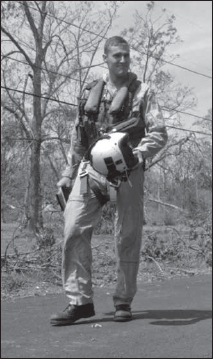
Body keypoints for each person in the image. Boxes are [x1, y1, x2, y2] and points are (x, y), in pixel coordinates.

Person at [50, 36, 168, 326]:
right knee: (73, 226)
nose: (123, 61)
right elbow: (79, 137)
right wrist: (68, 172)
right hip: (91, 170)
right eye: (117, 56)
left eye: (127, 55)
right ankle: (79, 301)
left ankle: (123, 300)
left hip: (128, 172)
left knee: (127, 235)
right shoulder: (90, 91)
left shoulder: (143, 92)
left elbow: (159, 133)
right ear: (106, 58)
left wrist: (137, 156)